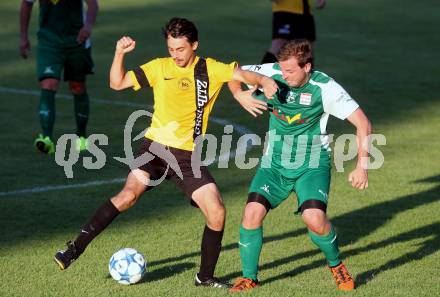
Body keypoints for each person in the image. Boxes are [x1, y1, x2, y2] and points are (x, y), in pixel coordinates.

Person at [53, 17, 278, 289]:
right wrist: (119, 53)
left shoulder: (210, 69)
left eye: (180, 49)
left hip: (186, 157)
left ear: (194, 44)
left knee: (217, 211)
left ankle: (204, 277)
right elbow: (117, 82)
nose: (175, 55)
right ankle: (74, 249)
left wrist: (262, 81)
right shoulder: (159, 67)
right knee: (127, 197)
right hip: (154, 149)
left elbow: (241, 74)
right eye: (171, 49)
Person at [228, 39, 372, 291]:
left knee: (314, 218)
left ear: (307, 67)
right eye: (282, 70)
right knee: (251, 214)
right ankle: (249, 278)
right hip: (273, 164)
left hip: (312, 165)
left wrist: (362, 166)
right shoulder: (271, 74)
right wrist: (239, 93)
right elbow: (230, 71)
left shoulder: (325, 88)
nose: (284, 75)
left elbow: (363, 124)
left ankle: (336, 265)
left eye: (291, 71)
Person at [19, 0, 98, 154]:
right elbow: (27, 4)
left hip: (77, 39)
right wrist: (23, 37)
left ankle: (81, 136)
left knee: (77, 86)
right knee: (48, 83)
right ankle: (46, 138)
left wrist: (87, 26)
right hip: (49, 41)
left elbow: (93, 4)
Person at [261, 0, 326, 64]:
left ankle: (305, 74)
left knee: (307, 48)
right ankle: (261, 72)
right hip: (285, 9)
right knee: (279, 43)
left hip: (306, 12)